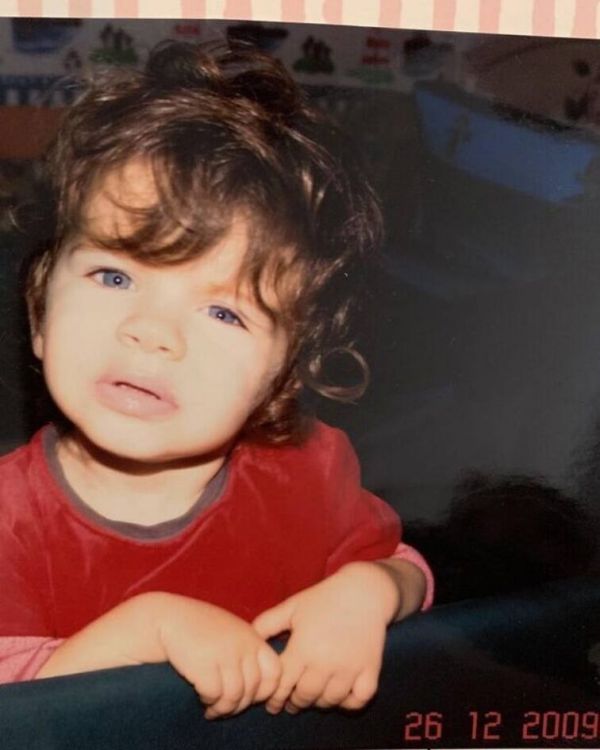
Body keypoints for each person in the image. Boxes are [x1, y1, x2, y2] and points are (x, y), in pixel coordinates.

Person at [0, 40, 433, 718]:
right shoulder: (9, 520)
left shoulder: (308, 473)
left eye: (224, 312)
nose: (152, 331)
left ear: (283, 377)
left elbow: (409, 568)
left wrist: (373, 590)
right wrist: (145, 629)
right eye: (114, 276)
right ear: (39, 311)